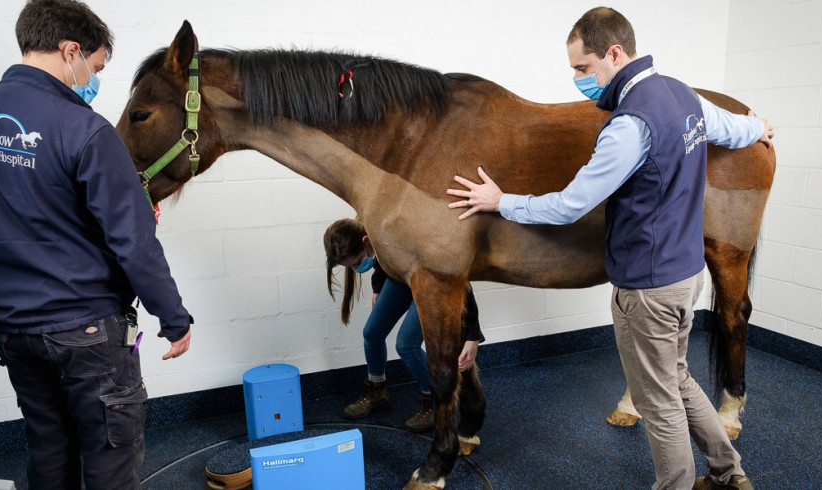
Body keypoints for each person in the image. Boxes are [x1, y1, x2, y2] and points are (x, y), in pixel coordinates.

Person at [446, 7, 773, 490]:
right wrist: (760, 127)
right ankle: (729, 473)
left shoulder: (629, 125)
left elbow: (570, 205)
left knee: (658, 401)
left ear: (614, 53)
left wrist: (501, 201)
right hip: (686, 278)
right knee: (678, 380)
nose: (579, 79)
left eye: (583, 68)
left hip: (647, 288)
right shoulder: (683, 95)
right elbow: (732, 128)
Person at [0, 1, 193, 488]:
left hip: (16, 330)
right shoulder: (85, 129)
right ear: (71, 51)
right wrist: (174, 318)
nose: (93, 78)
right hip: (87, 333)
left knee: (49, 451)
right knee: (111, 458)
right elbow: (133, 241)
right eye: (96, 66)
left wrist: (17, 239)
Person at [324, 218, 484, 431]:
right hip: (401, 278)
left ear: (365, 242)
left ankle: (435, 402)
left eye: (356, 262)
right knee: (372, 333)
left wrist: (473, 336)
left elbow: (462, 282)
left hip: (432, 281)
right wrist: (378, 288)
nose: (356, 269)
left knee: (406, 344)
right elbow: (383, 258)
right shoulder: (377, 232)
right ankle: (377, 392)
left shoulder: (408, 238)